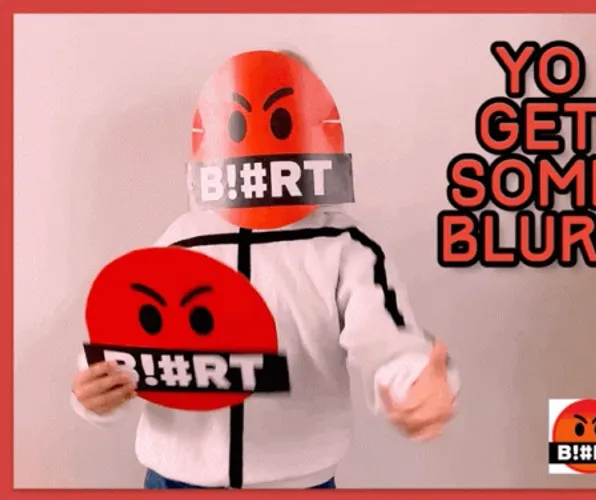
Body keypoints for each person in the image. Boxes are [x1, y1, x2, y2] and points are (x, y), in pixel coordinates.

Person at [71, 49, 460, 490]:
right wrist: (92, 395)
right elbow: (123, 338)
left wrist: (417, 383)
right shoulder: (181, 239)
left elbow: (385, 340)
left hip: (298, 482)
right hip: (174, 478)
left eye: (285, 118)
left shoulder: (346, 247)